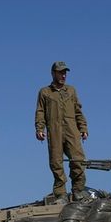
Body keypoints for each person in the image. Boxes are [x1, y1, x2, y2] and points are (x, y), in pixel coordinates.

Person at [35, 61, 88, 204]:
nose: (63, 75)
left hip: (72, 130)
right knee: (56, 162)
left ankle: (78, 190)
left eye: (65, 72)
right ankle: (61, 194)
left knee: (78, 159)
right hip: (54, 131)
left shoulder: (71, 90)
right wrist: (40, 129)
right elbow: (40, 112)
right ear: (53, 73)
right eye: (60, 72)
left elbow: (78, 111)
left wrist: (83, 128)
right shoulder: (45, 92)